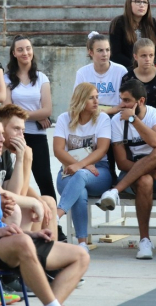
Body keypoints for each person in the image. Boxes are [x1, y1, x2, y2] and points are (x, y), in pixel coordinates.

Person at [0, 113, 89, 306]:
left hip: (4, 242)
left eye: (2, 133)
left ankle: (54, 303)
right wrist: (2, 231)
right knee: (22, 242)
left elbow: (4, 213)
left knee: (81, 256)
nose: (2, 139)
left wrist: (29, 233)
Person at [96, 80, 156, 260]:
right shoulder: (116, 121)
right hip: (135, 173)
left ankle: (115, 191)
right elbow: (122, 163)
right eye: (121, 100)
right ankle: (145, 241)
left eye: (126, 101)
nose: (121, 105)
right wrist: (147, 171)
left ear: (140, 101)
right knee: (145, 180)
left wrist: (133, 119)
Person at [54, 83, 112, 252]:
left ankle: (57, 215)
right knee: (80, 191)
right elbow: (57, 150)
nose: (96, 101)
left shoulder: (102, 118)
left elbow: (102, 149)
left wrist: (80, 165)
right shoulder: (64, 118)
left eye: (97, 97)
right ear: (80, 100)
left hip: (99, 171)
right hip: (67, 171)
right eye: (91, 98)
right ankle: (82, 244)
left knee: (80, 176)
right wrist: (80, 166)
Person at [0, 104, 59, 240]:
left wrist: (39, 200)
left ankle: (49, 251)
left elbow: (15, 186)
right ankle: (29, 249)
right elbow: (17, 194)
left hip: (5, 202)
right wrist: (25, 159)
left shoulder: (4, 154)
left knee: (49, 202)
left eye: (23, 130)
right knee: (30, 207)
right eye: (16, 129)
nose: (21, 136)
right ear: (1, 129)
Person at [4, 35, 56, 200]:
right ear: (14, 53)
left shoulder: (42, 78)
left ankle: (54, 222)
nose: (25, 52)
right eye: (20, 49)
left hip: (37, 136)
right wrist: (34, 115)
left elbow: (47, 110)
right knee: (17, 179)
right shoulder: (6, 79)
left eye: (28, 48)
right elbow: (7, 109)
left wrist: (25, 115)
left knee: (45, 179)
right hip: (14, 136)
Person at [74, 32, 127, 116]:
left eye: (107, 50)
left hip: (116, 115)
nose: (105, 54)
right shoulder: (82, 73)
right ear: (91, 52)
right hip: (90, 115)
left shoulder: (121, 71)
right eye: (100, 50)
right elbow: (77, 102)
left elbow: (125, 103)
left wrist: (106, 112)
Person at [109, 0, 156, 69]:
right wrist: (137, 66)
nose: (142, 5)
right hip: (126, 68)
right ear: (129, 3)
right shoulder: (118, 23)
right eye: (137, 1)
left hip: (148, 68)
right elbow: (115, 54)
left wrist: (149, 63)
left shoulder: (151, 22)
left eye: (145, 2)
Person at [121, 38, 156, 109]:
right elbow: (126, 106)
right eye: (143, 56)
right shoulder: (127, 78)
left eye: (151, 55)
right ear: (135, 56)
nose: (148, 59)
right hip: (133, 116)